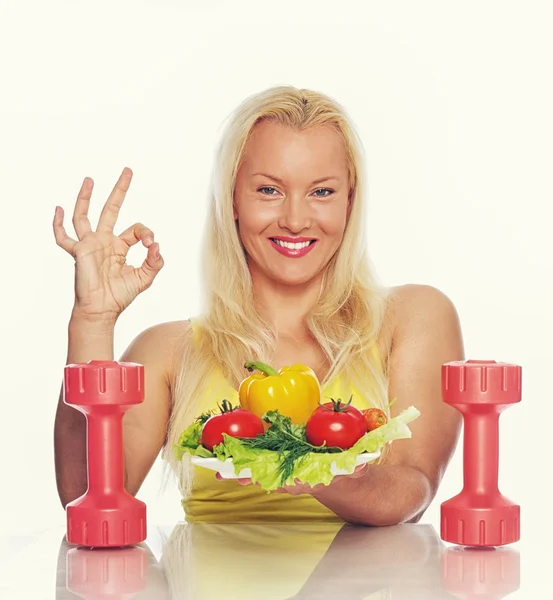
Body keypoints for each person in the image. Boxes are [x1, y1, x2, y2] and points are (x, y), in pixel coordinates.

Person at [53, 85, 464, 526]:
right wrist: (92, 322)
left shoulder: (413, 317)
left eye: (321, 192)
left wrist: (315, 473)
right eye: (268, 190)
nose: (294, 219)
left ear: (350, 200)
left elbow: (414, 488)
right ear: (232, 199)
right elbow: (87, 499)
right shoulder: (168, 352)